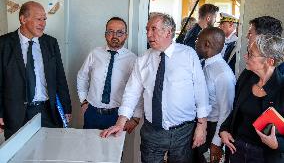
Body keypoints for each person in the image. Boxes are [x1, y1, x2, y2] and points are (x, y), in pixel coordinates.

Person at [101, 12, 210, 163]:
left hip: (183, 132)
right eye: (147, 30)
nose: (149, 34)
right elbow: (131, 93)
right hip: (152, 131)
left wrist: (202, 126)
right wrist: (120, 123)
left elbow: (201, 91)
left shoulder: (188, 55)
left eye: (154, 29)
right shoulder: (143, 60)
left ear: (169, 31)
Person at [0, 1, 72, 140]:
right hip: (15, 113)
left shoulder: (50, 43)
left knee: (50, 152)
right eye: (38, 19)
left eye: (44, 19)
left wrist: (66, 107)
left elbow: (60, 78)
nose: (43, 23)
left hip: (47, 111)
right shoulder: (4, 44)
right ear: (23, 19)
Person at [219, 33, 284, 163]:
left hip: (265, 155)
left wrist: (278, 144)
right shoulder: (247, 76)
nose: (245, 56)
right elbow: (236, 108)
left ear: (269, 61)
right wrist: (224, 129)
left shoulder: (281, 88)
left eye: (251, 54)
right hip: (237, 147)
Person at [77, 17, 141, 132]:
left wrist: (135, 118)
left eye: (120, 32)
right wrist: (83, 101)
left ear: (126, 36)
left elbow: (137, 90)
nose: (114, 36)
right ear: (105, 34)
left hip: (117, 116)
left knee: (113, 150)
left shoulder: (133, 59)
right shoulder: (94, 54)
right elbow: (82, 76)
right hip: (92, 113)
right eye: (110, 31)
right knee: (88, 148)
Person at [195, 27, 236, 163]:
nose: (195, 43)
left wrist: (216, 142)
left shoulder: (223, 73)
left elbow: (227, 110)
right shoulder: (203, 64)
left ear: (207, 44)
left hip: (213, 128)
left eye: (198, 40)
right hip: (200, 124)